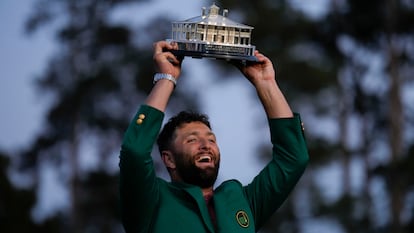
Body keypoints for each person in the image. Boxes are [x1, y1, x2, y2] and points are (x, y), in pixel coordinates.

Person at [119, 40, 309, 233]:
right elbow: (134, 152)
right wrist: (166, 78)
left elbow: (293, 159)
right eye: (191, 139)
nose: (205, 145)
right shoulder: (151, 201)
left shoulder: (242, 201)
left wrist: (265, 82)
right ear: (169, 159)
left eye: (211, 139)